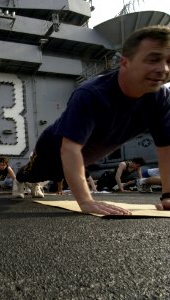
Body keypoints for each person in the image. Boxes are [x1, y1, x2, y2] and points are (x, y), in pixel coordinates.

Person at [14, 25, 170, 215]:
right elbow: (70, 148)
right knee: (33, 173)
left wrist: (167, 195)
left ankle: (35, 184)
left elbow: (166, 149)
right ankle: (20, 180)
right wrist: (86, 201)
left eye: (169, 61)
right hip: (53, 149)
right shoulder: (91, 94)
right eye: (153, 59)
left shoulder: (160, 99)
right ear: (124, 62)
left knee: (55, 176)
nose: (163, 68)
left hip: (81, 160)